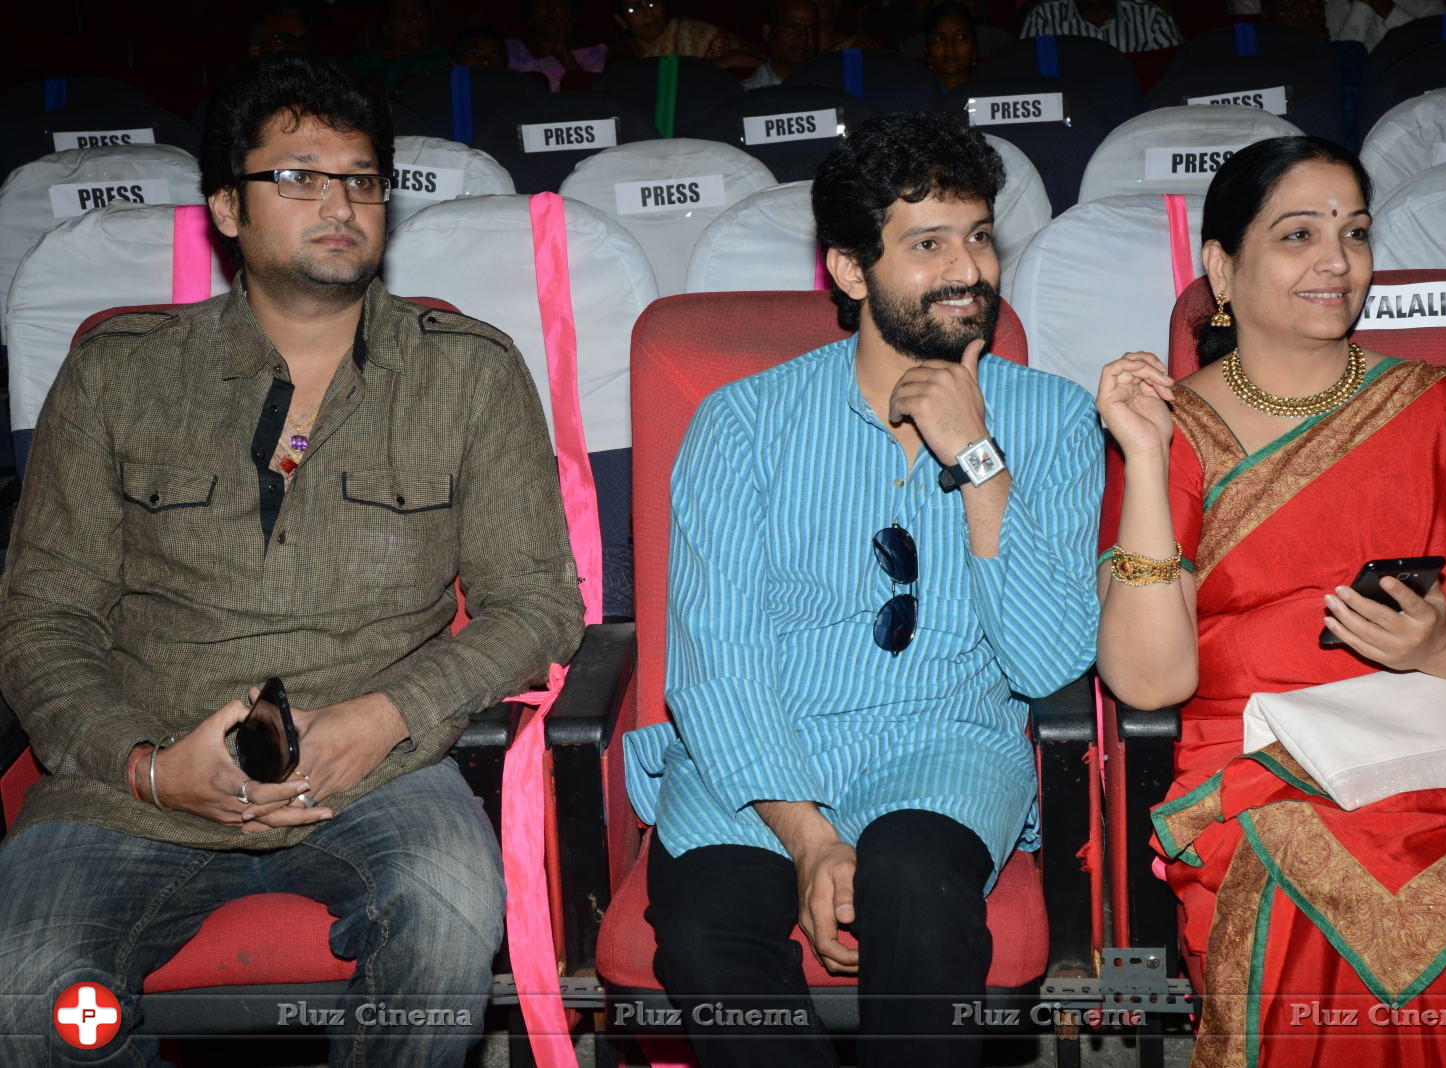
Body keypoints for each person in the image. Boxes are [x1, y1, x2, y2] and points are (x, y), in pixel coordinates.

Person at [0, 51, 585, 1065]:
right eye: (298, 177)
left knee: (445, 914)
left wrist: (383, 719)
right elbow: (44, 620)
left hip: (377, 774)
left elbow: (536, 606)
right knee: (29, 986)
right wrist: (145, 769)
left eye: (361, 179)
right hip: (134, 783)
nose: (339, 202)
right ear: (226, 207)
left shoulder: (467, 375)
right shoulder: (118, 376)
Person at [1094, 135, 1446, 1064]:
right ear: (1222, 269)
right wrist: (1140, 457)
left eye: (1356, 233)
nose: (1337, 261)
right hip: (1266, 761)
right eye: (1298, 235)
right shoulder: (1175, 431)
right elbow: (1149, 682)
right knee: (1318, 921)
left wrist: (1439, 650)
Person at [623, 112, 1102, 1067]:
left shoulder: (1051, 419)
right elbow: (716, 662)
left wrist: (978, 462)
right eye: (927, 245)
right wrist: (805, 838)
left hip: (946, 745)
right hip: (759, 750)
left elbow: (1051, 661)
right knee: (708, 936)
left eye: (977, 236)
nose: (967, 268)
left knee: (915, 886)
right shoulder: (743, 423)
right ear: (850, 270)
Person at [612, 0, 763, 69]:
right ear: (621, 21)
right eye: (634, 8)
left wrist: (707, 69)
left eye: (653, 2)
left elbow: (755, 62)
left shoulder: (688, 31)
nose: (648, 12)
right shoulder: (621, 57)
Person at [349, 0, 451, 94]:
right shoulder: (365, 63)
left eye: (420, 14)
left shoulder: (447, 59)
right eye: (402, 15)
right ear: (386, 26)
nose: (414, 21)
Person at [508, 0, 609, 89]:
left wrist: (564, 55)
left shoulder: (597, 56)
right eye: (542, 1)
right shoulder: (509, 51)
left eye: (559, 1)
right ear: (531, 16)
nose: (550, 7)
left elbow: (591, 100)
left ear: (574, 16)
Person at [1020, 0, 1183, 50]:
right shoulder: (1044, 19)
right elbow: (1031, 81)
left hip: (1137, 114)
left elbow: (1173, 81)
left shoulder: (1151, 18)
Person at [743, 0, 822, 89]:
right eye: (792, 26)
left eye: (812, 28)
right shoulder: (747, 96)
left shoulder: (832, 90)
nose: (804, 36)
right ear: (767, 32)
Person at [922, 3, 984, 89]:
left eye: (960, 37)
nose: (950, 47)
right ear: (927, 49)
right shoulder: (913, 96)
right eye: (939, 38)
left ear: (974, 47)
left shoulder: (991, 93)